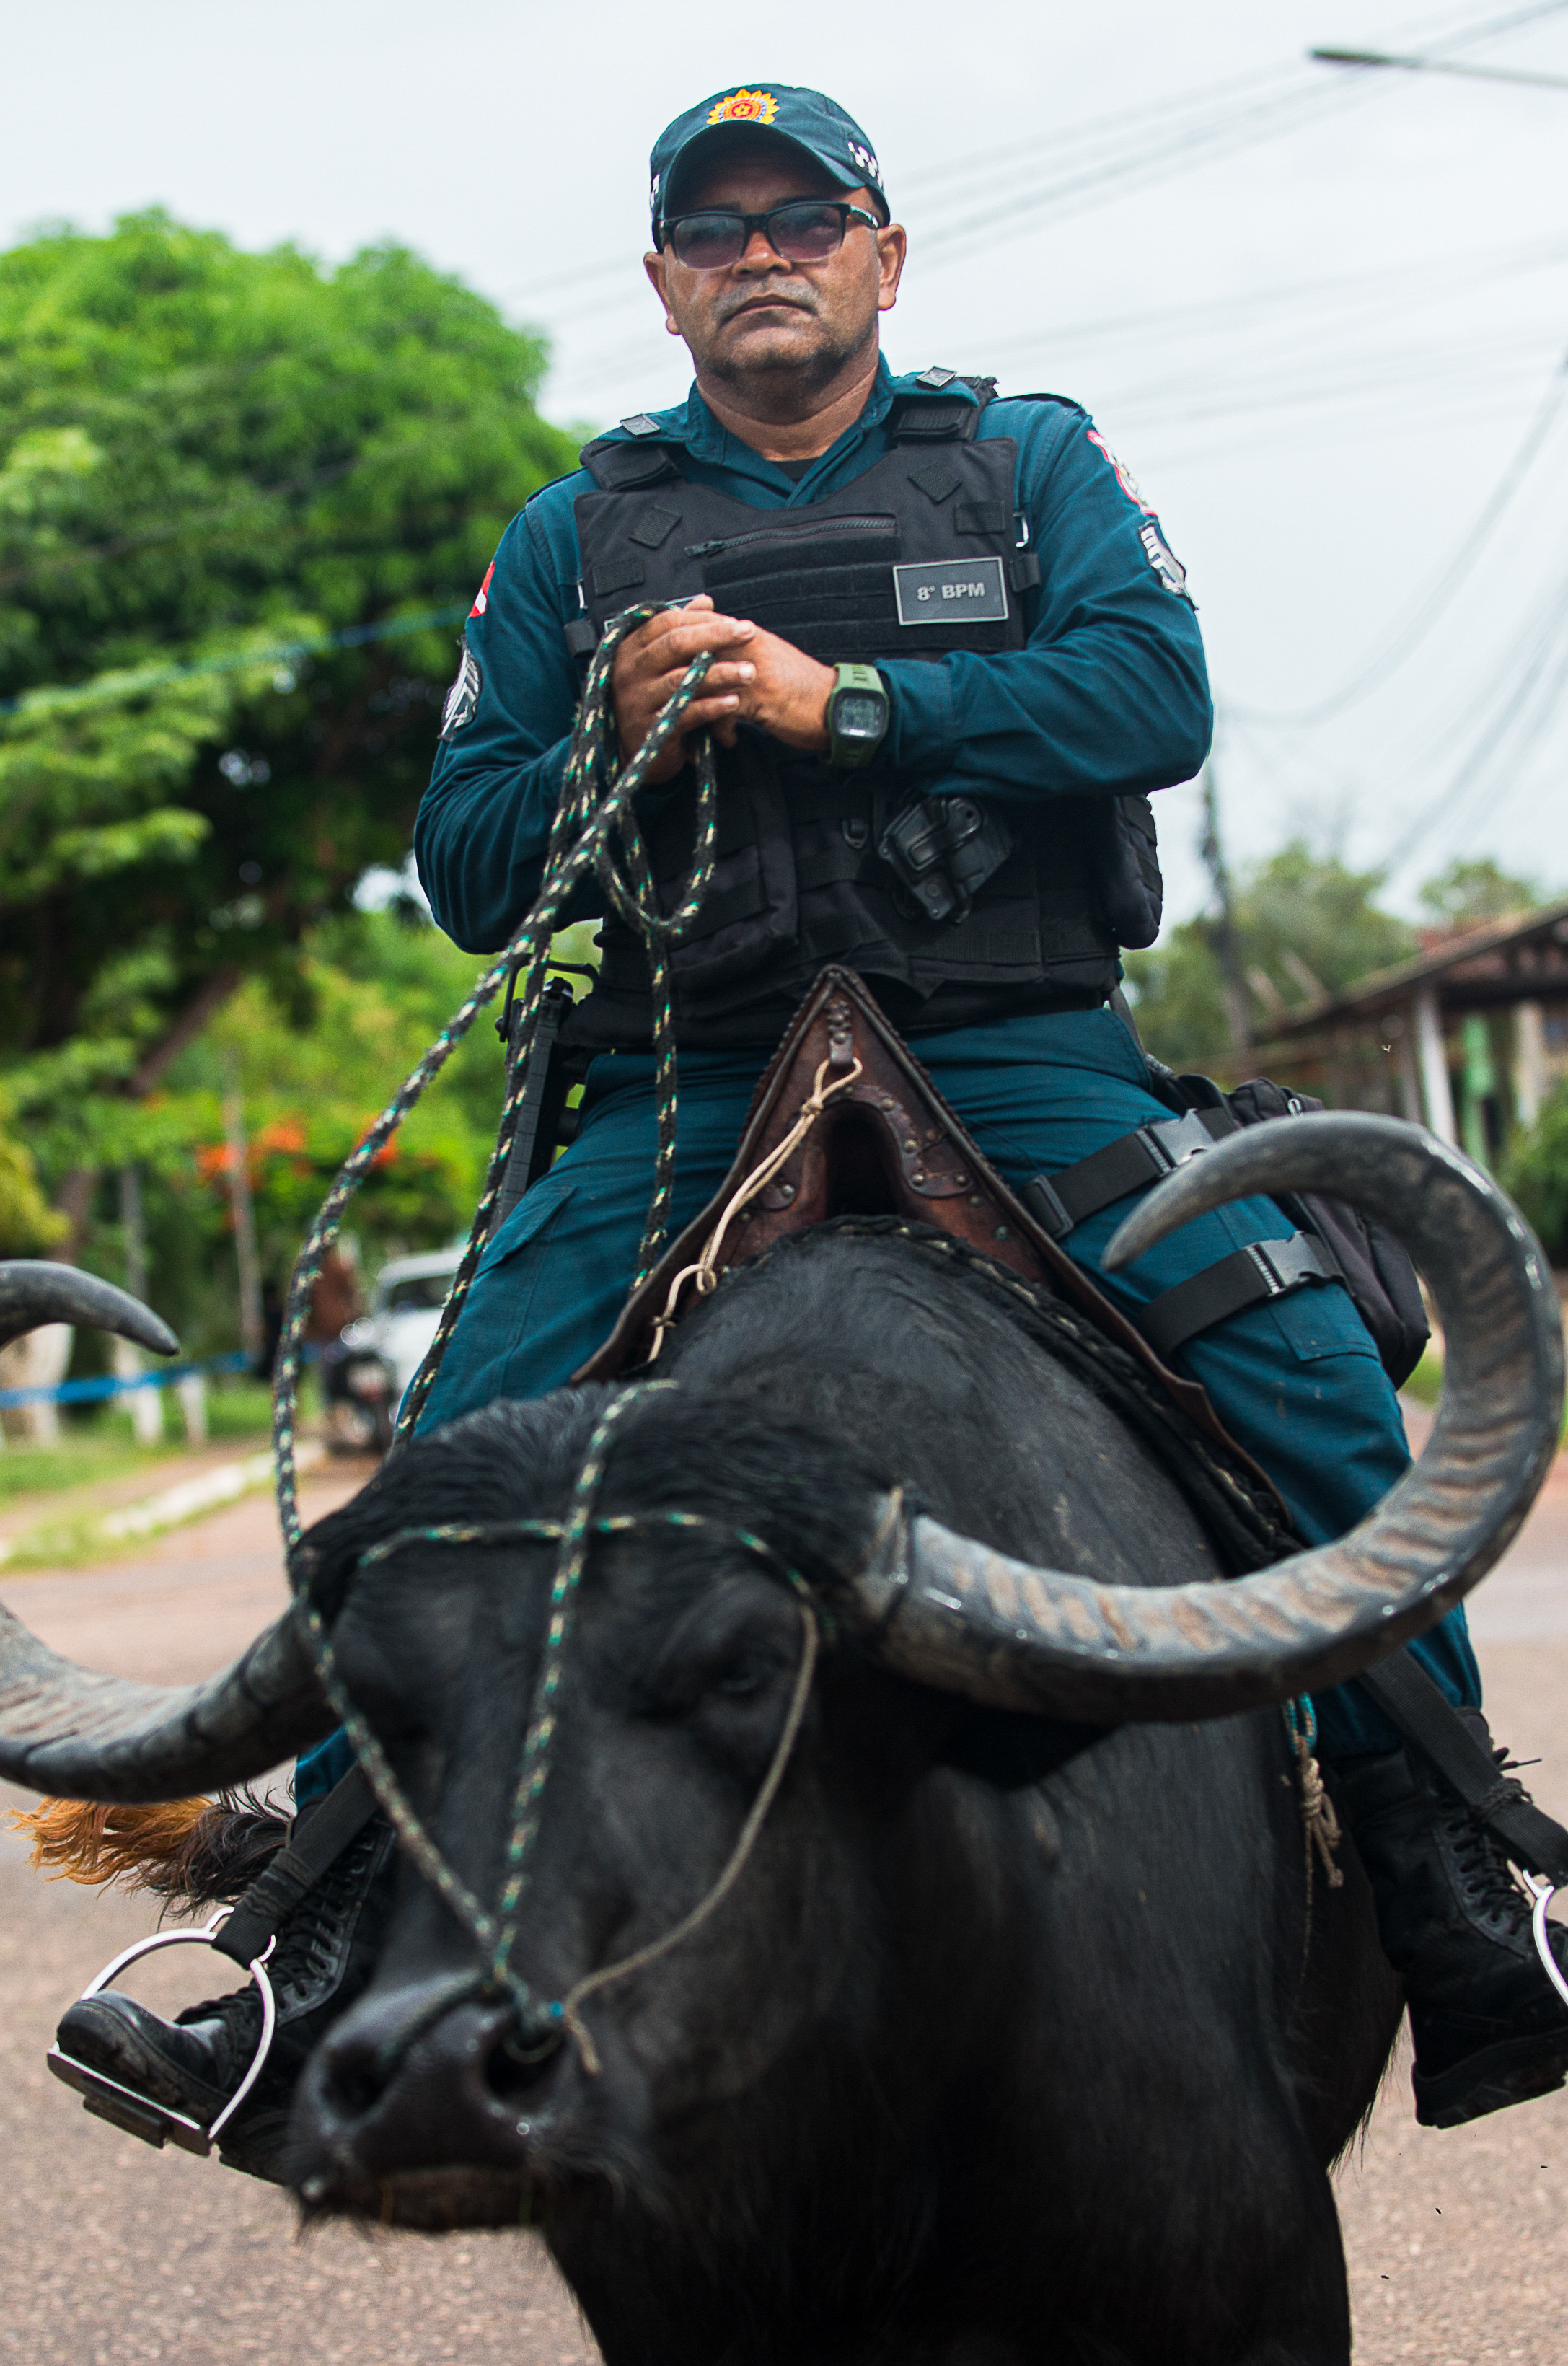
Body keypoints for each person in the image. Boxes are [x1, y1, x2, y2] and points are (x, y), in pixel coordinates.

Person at [59, 80, 1568, 2167]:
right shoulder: (570, 537)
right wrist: (602, 729)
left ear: (883, 251)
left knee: (1318, 1390)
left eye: (805, 215)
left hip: (1020, 1053)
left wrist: (841, 701)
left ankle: (1464, 1891)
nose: (763, 250)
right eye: (717, 227)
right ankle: (317, 1959)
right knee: (457, 1459)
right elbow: (469, 866)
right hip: (683, 1087)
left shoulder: (1027, 462)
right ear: (666, 282)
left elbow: (1158, 697)